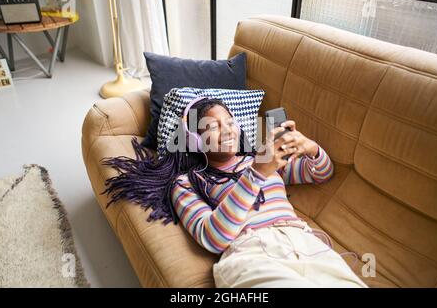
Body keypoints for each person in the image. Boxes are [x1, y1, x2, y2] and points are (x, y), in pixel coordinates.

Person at [102, 97, 368, 288]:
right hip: (251, 253)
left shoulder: (262, 159)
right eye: (213, 126)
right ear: (195, 139)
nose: (227, 130)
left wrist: (310, 148)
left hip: (305, 243)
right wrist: (256, 175)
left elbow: (320, 172)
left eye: (229, 122)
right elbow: (214, 237)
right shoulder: (187, 183)